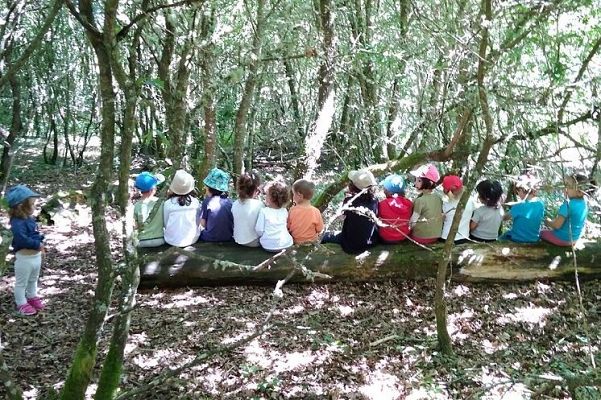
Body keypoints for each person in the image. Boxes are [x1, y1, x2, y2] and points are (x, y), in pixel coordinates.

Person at [6, 185, 45, 316]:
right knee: (22, 282)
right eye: (32, 204)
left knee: (33, 279)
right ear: (21, 206)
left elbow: (34, 233)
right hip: (24, 258)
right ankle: (21, 302)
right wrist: (37, 244)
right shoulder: (17, 223)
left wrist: (41, 239)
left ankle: (32, 296)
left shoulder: (29, 219)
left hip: (35, 257)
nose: (34, 207)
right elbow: (22, 239)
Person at [321, 169, 379, 254]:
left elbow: (341, 217)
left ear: (353, 186)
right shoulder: (375, 200)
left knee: (324, 236)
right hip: (370, 241)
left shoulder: (349, 201)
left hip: (351, 245)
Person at [541, 173, 591, 246]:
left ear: (580, 192)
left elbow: (557, 225)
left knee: (541, 232)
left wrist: (547, 222)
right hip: (575, 239)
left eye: (568, 186)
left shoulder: (568, 205)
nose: (565, 188)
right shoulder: (584, 204)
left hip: (563, 239)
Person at [500, 173, 544, 243]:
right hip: (534, 239)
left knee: (500, 238)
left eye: (518, 190)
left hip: (517, 239)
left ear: (522, 190)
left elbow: (504, 218)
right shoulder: (540, 205)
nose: (517, 193)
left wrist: (500, 207)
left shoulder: (518, 207)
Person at [163, 169, 201, 247]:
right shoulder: (195, 202)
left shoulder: (168, 203)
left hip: (171, 240)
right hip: (192, 239)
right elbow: (197, 221)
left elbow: (166, 223)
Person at [409, 164, 443, 245]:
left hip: (421, 237)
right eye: (416, 180)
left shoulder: (420, 200)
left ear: (430, 183)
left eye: (419, 180)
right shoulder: (438, 197)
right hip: (436, 235)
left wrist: (407, 228)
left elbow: (412, 222)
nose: (415, 183)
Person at [255, 180, 294, 251]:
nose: (265, 197)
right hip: (286, 244)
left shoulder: (264, 211)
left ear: (271, 198)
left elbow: (259, 230)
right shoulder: (284, 211)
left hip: (268, 246)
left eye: (266, 194)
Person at [199, 167, 234, 242]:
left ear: (208, 188)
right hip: (228, 237)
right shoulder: (230, 202)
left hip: (209, 238)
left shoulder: (207, 202)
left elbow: (202, 224)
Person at [133, 171, 166, 247]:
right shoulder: (161, 202)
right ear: (153, 189)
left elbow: (135, 226)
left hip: (142, 241)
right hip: (160, 239)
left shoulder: (136, 206)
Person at [378, 174, 413, 243]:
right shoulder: (409, 203)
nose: (383, 190)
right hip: (404, 236)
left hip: (386, 238)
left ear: (389, 191)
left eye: (385, 188)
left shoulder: (381, 204)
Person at [232, 171, 264, 247]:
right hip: (254, 242)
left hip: (237, 240)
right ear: (256, 190)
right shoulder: (259, 205)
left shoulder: (235, 203)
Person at [440, 175, 474, 244]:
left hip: (446, 237)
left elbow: (442, 219)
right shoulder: (471, 201)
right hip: (464, 238)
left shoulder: (446, 204)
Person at [287, 179, 324, 244]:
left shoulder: (292, 210)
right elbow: (320, 229)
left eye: (293, 194)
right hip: (311, 242)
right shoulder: (316, 211)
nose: (293, 196)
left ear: (299, 195)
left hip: (296, 241)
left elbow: (288, 227)